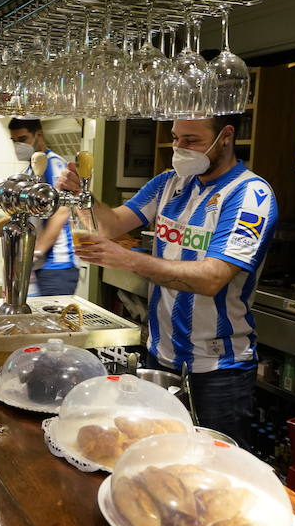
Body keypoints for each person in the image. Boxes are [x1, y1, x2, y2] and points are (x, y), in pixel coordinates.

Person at [58, 115, 276, 448]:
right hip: (161, 356)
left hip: (219, 371)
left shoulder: (250, 195)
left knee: (211, 474)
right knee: (155, 455)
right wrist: (83, 197)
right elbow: (111, 224)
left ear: (226, 136)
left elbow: (213, 278)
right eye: (176, 138)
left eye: (192, 140)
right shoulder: (169, 183)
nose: (179, 148)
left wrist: (128, 259)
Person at [0, 117, 79, 297]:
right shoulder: (28, 173)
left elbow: (61, 212)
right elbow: (16, 217)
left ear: (38, 135)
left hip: (56, 267)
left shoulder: (55, 165)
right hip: (35, 267)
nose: (18, 145)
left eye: (23, 139)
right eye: (14, 140)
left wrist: (37, 251)